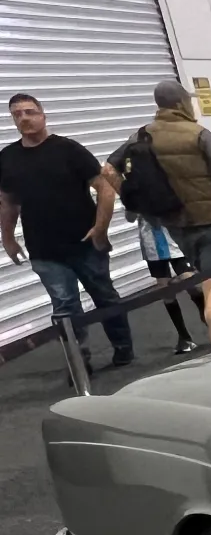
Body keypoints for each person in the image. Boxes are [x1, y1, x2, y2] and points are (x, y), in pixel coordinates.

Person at [105, 79, 211, 349]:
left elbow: (108, 170)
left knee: (210, 279)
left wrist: (136, 201)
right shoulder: (199, 134)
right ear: (181, 103)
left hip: (176, 225)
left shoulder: (141, 136)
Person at [0, 92, 131, 369]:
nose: (23, 118)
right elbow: (8, 202)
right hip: (44, 249)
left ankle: (123, 347)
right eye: (16, 114)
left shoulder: (68, 149)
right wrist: (8, 238)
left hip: (84, 243)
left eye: (29, 111)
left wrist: (100, 228)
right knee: (64, 306)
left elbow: (105, 188)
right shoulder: (8, 158)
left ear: (42, 114)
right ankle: (80, 362)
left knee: (105, 296)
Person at [135, 216, 201, 354]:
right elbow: (129, 217)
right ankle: (184, 337)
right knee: (165, 290)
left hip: (175, 240)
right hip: (151, 244)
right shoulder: (133, 194)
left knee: (190, 282)